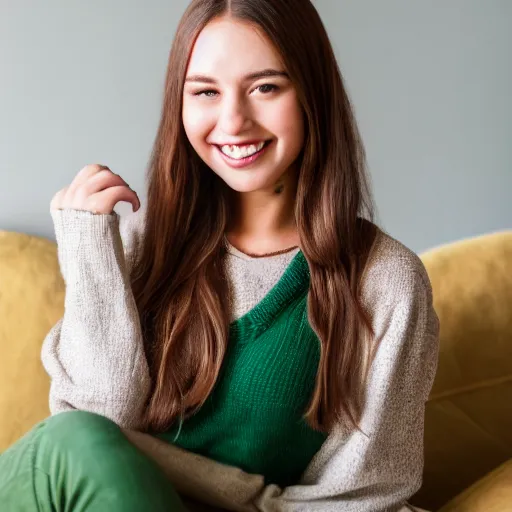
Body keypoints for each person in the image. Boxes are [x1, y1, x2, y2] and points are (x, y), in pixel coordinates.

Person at [0, 0, 439, 511]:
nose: (233, 120)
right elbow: (100, 431)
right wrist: (87, 247)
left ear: (312, 94)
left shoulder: (385, 283)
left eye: (265, 87)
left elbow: (362, 500)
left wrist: (240, 498)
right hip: (60, 487)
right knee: (76, 442)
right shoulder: (145, 245)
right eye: (206, 92)